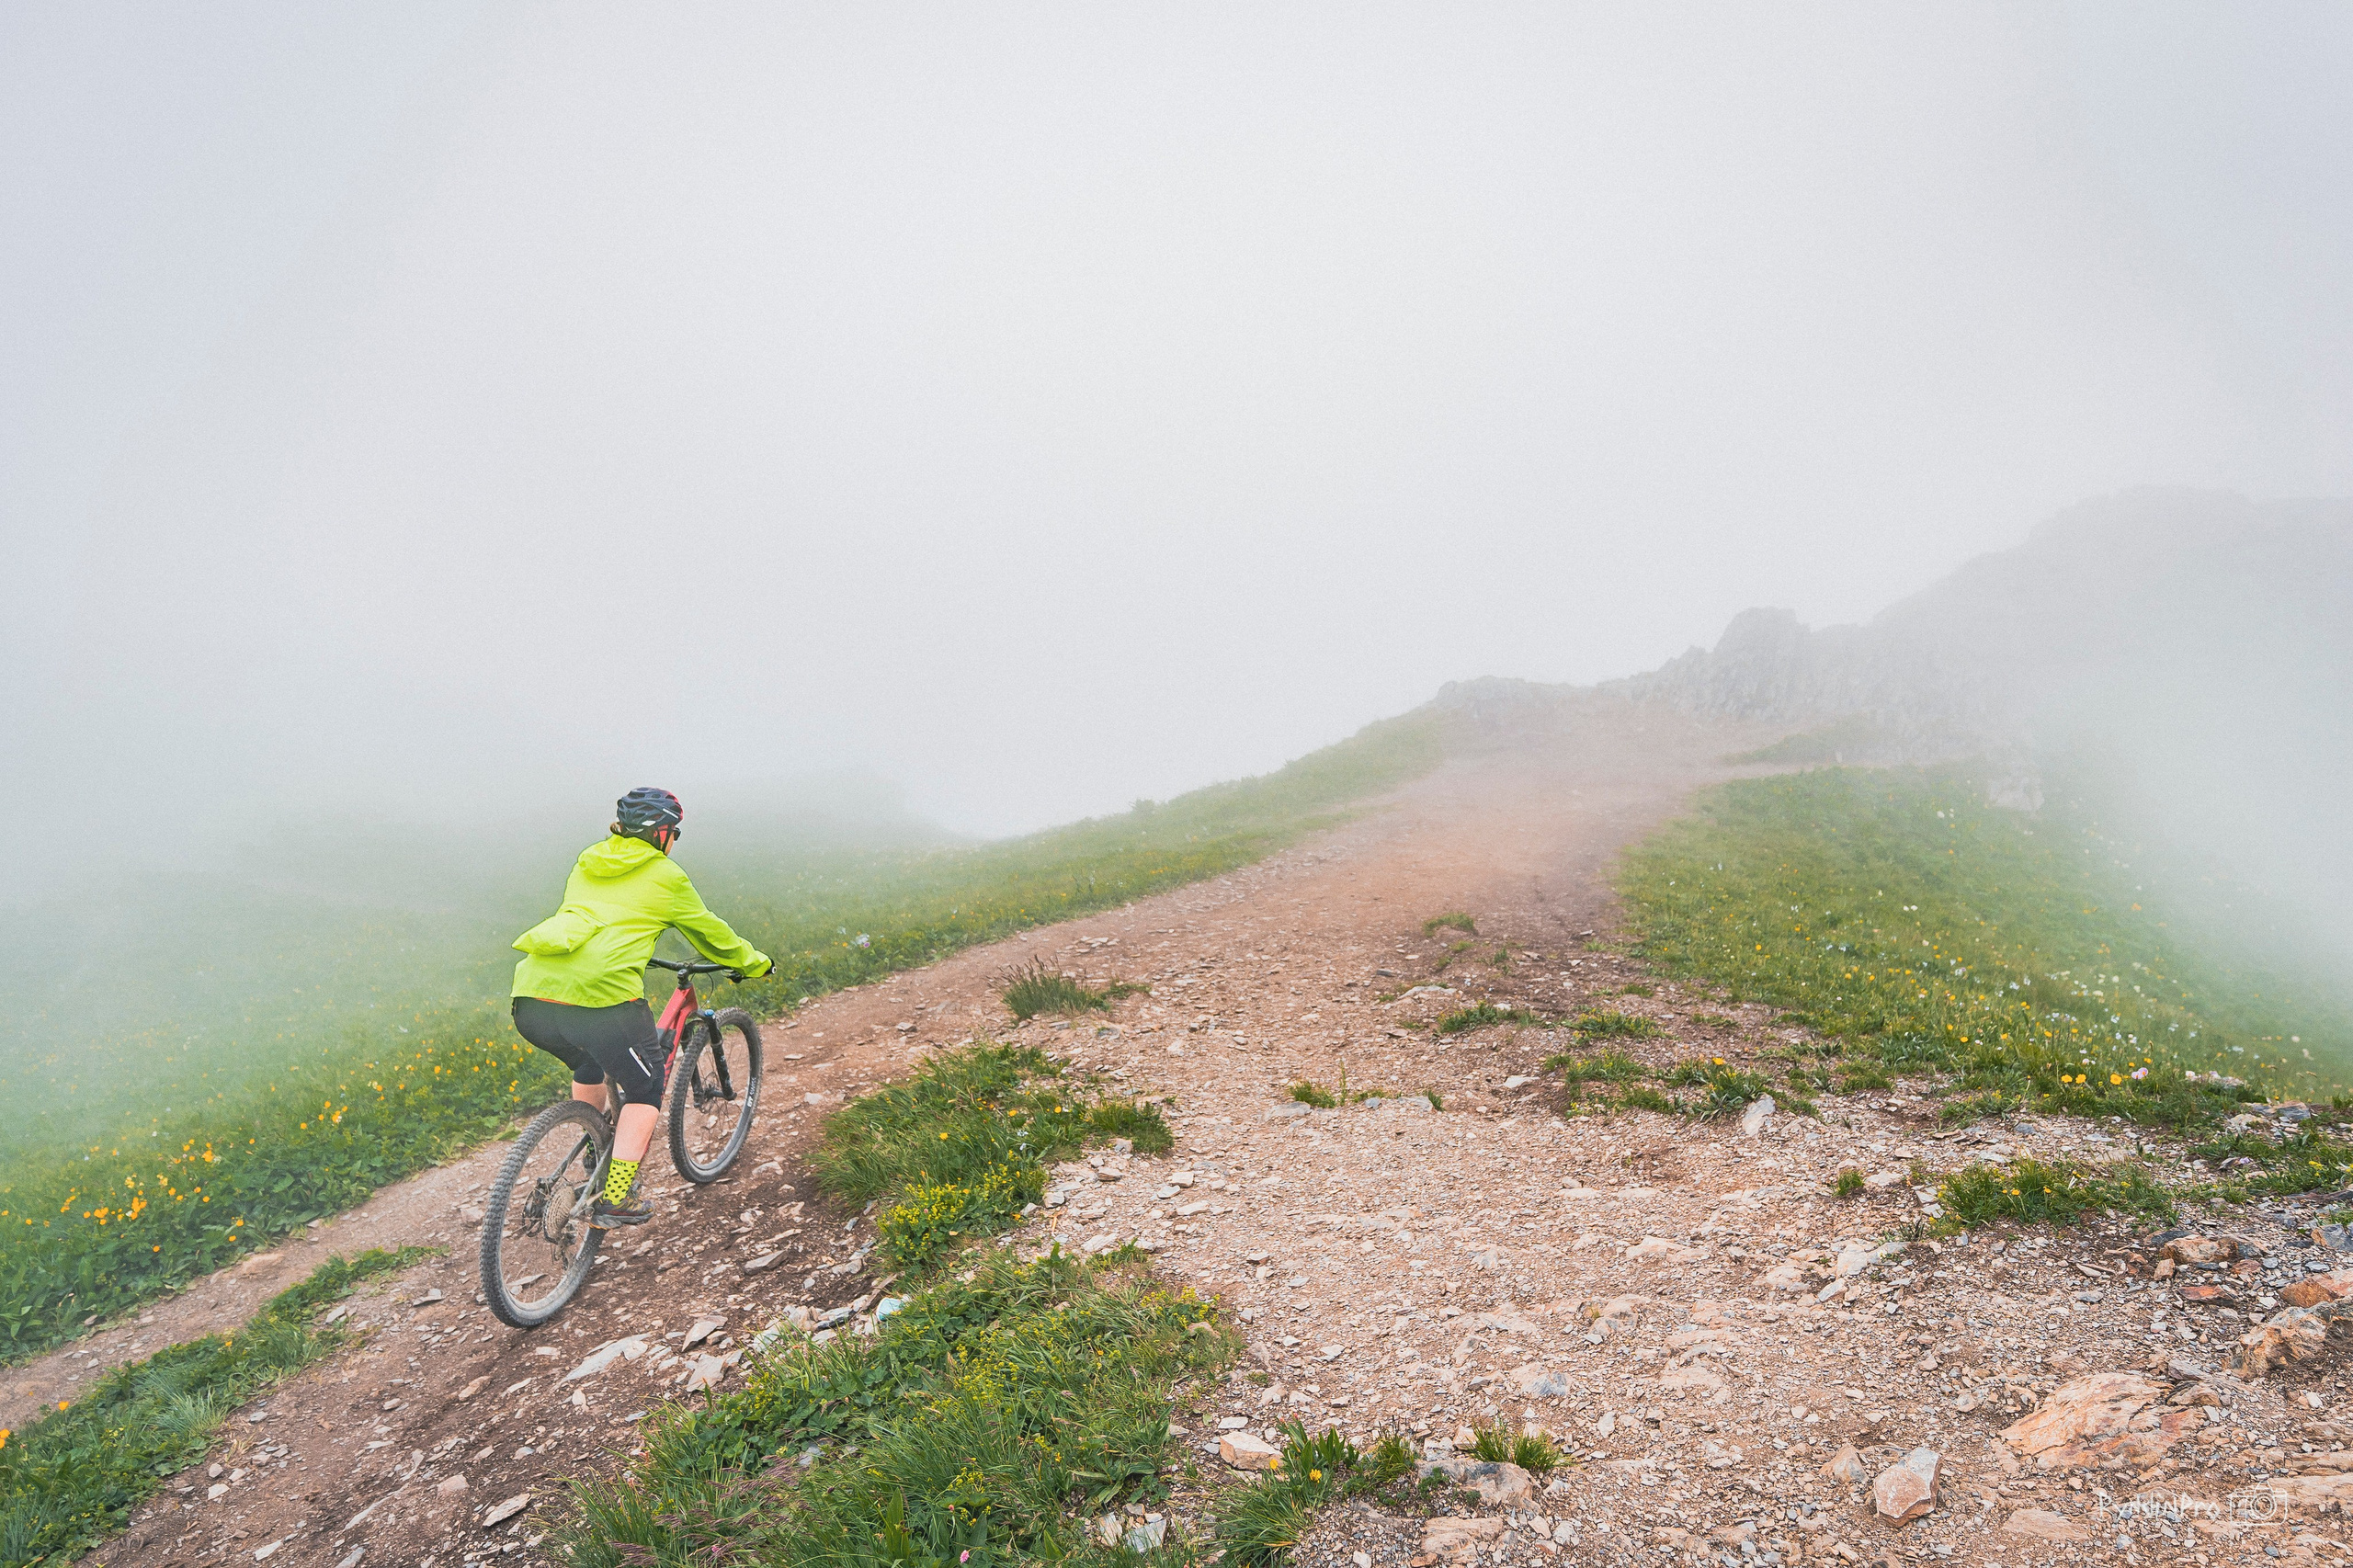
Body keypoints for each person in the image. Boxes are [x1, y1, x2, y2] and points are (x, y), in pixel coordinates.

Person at [509, 787, 772, 1227]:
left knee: (590, 1062)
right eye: (676, 833)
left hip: (533, 999)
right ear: (663, 833)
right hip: (601, 1001)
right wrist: (756, 963)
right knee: (646, 1088)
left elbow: (601, 917)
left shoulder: (588, 859)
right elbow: (712, 934)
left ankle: (597, 1149)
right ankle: (614, 1196)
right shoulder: (666, 876)